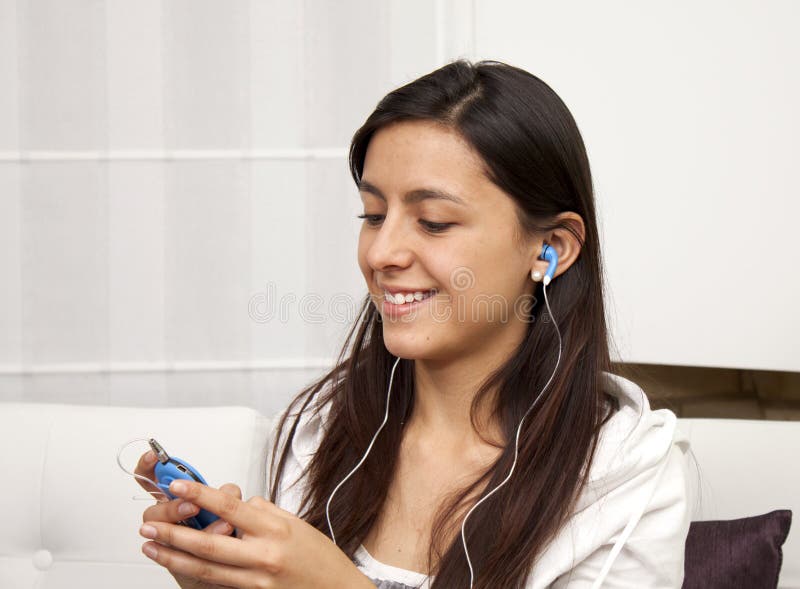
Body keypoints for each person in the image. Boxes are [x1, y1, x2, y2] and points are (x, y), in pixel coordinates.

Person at [134, 59, 697, 588]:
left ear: (549, 249)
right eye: (373, 215)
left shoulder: (627, 473)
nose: (381, 253)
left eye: (432, 221)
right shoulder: (321, 428)